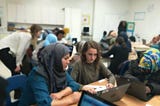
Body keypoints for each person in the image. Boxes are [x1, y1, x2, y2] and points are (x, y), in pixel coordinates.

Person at [18, 43, 95, 106]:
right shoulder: (38, 75)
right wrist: (72, 99)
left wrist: (60, 94)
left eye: (69, 58)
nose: (68, 61)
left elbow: (73, 84)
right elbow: (45, 103)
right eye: (65, 58)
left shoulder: (59, 70)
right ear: (54, 59)